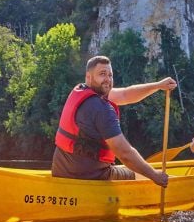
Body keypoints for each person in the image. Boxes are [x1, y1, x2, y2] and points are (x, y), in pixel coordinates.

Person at [52, 55, 176, 187]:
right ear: (89, 77)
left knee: (136, 169)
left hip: (61, 171)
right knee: (141, 175)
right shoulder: (102, 109)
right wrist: (155, 176)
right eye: (102, 74)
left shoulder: (81, 90)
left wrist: (158, 85)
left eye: (110, 75)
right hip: (90, 178)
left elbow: (125, 94)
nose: (108, 79)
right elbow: (124, 153)